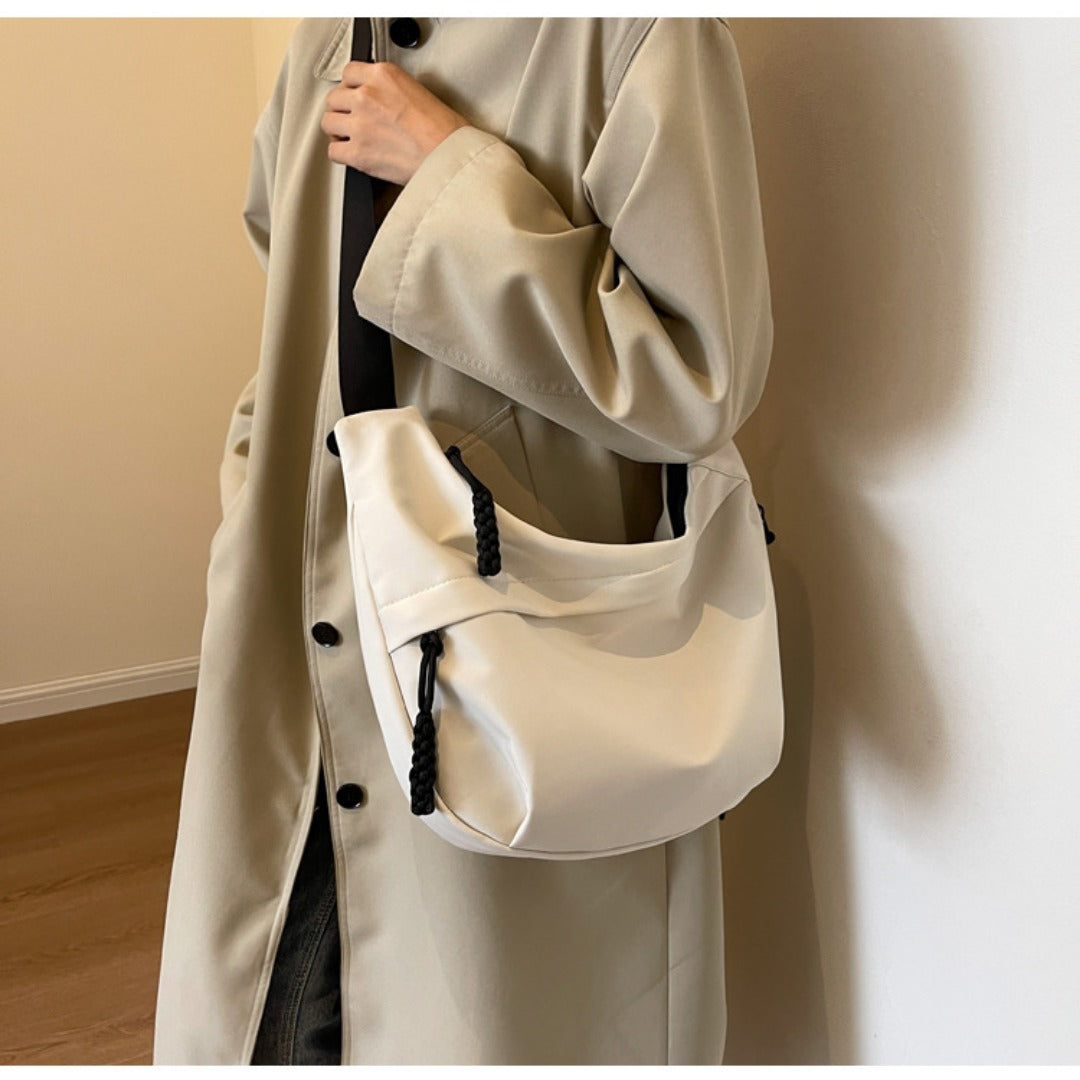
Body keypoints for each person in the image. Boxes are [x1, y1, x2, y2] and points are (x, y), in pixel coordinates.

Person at [152, 16, 774, 1065]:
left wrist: (448, 178)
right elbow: (287, 261)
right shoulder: (331, 33)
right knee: (271, 997)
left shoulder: (630, 33)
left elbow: (695, 378)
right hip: (309, 612)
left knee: (476, 1007)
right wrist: (254, 479)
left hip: (508, 651)